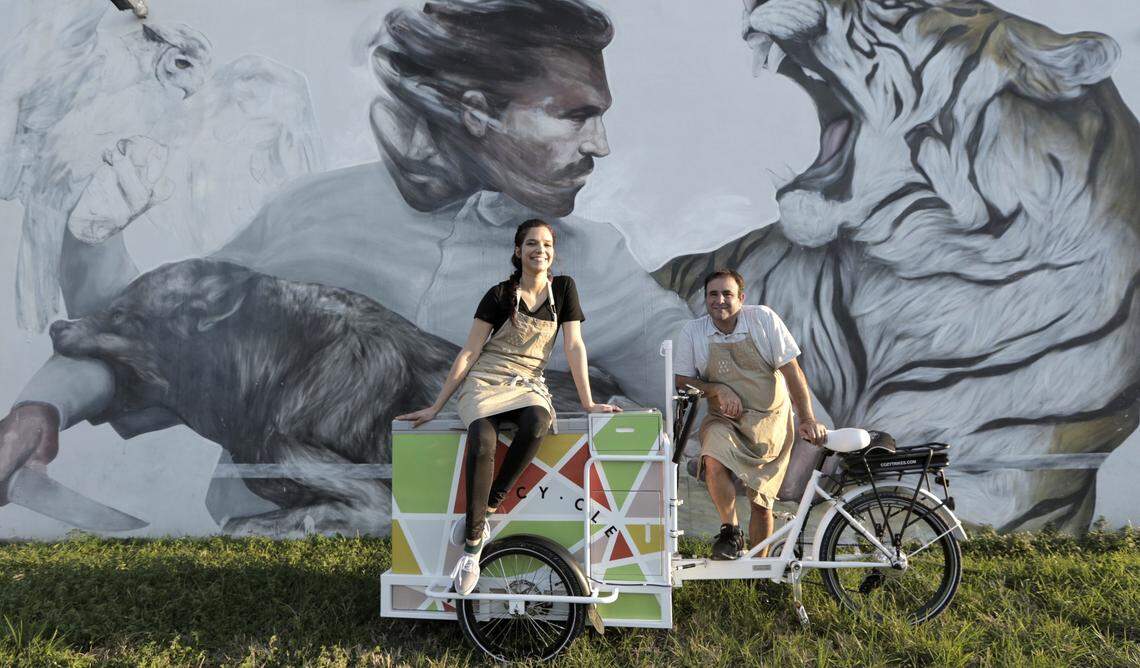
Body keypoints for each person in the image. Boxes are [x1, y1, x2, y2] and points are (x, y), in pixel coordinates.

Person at [0, 0, 694, 525]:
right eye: (576, 115)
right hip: (276, 572)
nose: (601, 143)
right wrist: (44, 401)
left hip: (492, 570)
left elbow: (699, 380)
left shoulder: (592, 263)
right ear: (480, 112)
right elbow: (160, 331)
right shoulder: (317, 208)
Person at [397, 219, 620, 594]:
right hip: (485, 382)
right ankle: (471, 549)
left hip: (528, 384)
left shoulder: (564, 290)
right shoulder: (499, 294)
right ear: (518, 251)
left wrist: (588, 402)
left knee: (537, 421)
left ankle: (487, 507)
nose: (541, 251)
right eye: (532, 244)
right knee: (482, 439)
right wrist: (437, 406)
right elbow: (470, 352)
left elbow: (574, 346)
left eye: (547, 245)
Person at [674, 269, 827, 559]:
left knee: (762, 501)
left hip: (770, 422)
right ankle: (730, 532)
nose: (720, 300)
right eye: (713, 294)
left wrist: (807, 418)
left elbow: (792, 372)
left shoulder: (763, 320)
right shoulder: (693, 332)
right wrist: (716, 388)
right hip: (724, 421)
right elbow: (682, 381)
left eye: (727, 294)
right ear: (705, 299)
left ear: (741, 298)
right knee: (713, 458)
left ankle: (758, 570)